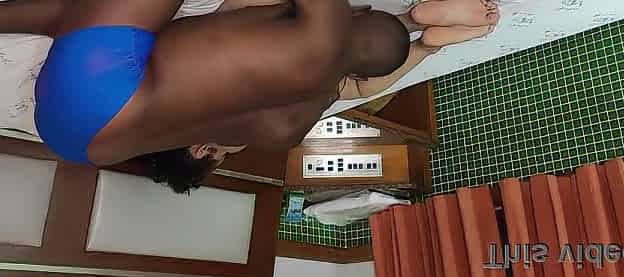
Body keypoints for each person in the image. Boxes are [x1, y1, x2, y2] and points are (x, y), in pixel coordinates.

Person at [0, 0, 500, 194]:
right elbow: (357, 85)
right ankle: (421, 29)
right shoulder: (278, 123)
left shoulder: (293, 117)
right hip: (77, 146)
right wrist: (422, 40)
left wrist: (418, 33)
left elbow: (356, 82)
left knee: (79, 21)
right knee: (74, 21)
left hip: (104, 96)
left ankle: (419, 27)